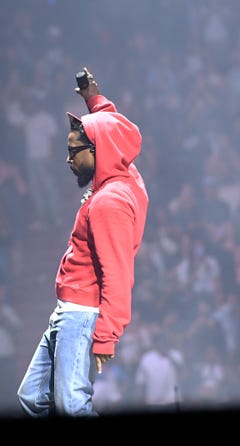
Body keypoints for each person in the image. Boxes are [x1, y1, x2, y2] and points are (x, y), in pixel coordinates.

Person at [17, 67, 149, 417]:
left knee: (72, 405)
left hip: (82, 314)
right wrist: (95, 99)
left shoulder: (110, 202)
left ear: (97, 151)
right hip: (68, 311)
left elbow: (118, 273)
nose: (68, 159)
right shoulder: (123, 172)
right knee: (33, 397)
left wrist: (106, 334)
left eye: (75, 151)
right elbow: (112, 129)